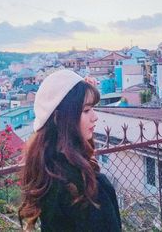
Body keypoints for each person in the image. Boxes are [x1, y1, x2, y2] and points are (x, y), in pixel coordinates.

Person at [18, 70, 121, 232]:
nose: (95, 117)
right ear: (60, 118)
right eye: (86, 110)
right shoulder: (88, 189)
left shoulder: (47, 175)